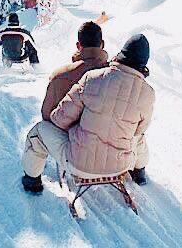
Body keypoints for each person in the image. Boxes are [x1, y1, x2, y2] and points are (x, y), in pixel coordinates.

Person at [21, 34, 154, 193]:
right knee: (138, 137)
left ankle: (32, 182)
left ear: (121, 54)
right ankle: (139, 173)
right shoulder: (148, 92)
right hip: (120, 168)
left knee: (39, 132)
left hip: (79, 165)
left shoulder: (93, 78)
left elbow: (60, 119)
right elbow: (139, 130)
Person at [41, 21, 108, 121]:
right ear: (102, 44)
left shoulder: (58, 76)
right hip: (108, 134)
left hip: (66, 133)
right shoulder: (118, 74)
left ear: (78, 45)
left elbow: (46, 114)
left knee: (40, 128)